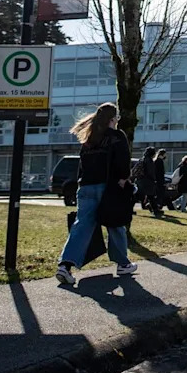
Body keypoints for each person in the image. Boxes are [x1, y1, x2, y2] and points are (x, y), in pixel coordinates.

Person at [56, 103, 138, 285]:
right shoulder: (117, 136)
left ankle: (65, 265)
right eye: (117, 118)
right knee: (115, 224)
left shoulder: (90, 139)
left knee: (82, 226)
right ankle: (123, 263)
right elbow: (124, 162)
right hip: (108, 187)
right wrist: (124, 179)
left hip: (85, 187)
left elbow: (82, 166)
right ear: (113, 119)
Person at [134, 147, 163, 217]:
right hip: (147, 181)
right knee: (151, 196)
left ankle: (155, 210)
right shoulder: (149, 161)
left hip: (140, 180)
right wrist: (154, 179)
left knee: (137, 196)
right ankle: (155, 210)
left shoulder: (142, 159)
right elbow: (151, 172)